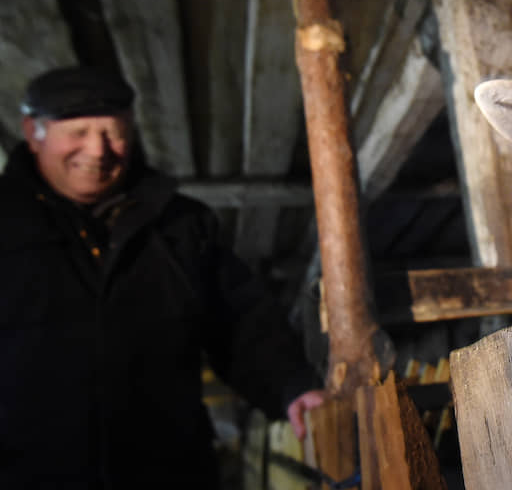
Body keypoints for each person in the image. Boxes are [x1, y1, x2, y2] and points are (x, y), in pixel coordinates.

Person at [0, 66, 325, 489]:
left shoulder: (181, 226)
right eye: (78, 132)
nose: (98, 151)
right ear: (33, 132)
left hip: (167, 472)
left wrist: (292, 386)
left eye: (113, 133)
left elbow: (240, 323)